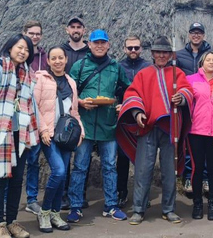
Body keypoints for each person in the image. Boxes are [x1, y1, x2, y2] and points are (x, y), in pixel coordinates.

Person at [117, 36, 193, 225]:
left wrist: (181, 97)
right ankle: (138, 210)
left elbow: (188, 91)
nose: (161, 55)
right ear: (152, 54)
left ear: (170, 55)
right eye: (158, 52)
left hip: (170, 128)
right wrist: (137, 113)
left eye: (164, 52)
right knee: (143, 170)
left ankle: (169, 209)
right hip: (148, 127)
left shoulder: (177, 73)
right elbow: (132, 94)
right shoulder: (143, 74)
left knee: (169, 170)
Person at [0, 34, 38, 238]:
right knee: (0, 178)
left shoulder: (27, 72)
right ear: (9, 47)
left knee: (17, 179)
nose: (23, 52)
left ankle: (12, 222)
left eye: (27, 49)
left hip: (21, 132)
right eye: (19, 47)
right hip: (1, 131)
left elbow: (30, 104)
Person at [66, 29, 130, 223]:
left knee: (110, 166)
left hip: (108, 124)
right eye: (96, 43)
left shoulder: (115, 67)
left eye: (103, 42)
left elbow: (128, 88)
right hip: (84, 124)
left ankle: (111, 205)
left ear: (108, 45)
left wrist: (123, 104)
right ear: (90, 45)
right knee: (79, 166)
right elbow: (68, 91)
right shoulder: (80, 65)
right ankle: (75, 206)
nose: (100, 46)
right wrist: (80, 103)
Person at [33, 46, 85, 233]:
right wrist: (43, 130)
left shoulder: (71, 82)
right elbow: (35, 107)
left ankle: (55, 213)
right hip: (50, 135)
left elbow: (75, 111)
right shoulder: (42, 80)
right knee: (59, 171)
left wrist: (81, 131)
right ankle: (45, 211)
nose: (57, 61)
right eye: (53, 58)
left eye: (60, 58)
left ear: (65, 59)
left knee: (63, 176)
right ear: (48, 61)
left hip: (66, 136)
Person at [186, 51, 213, 221]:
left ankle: (212, 204)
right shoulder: (191, 80)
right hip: (196, 131)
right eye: (208, 60)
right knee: (197, 168)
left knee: (212, 169)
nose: (211, 62)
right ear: (201, 63)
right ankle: (197, 203)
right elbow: (184, 100)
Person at [176, 22, 212, 193]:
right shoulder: (179, 56)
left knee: (205, 144)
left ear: (203, 35)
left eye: (199, 32)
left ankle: (205, 178)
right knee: (188, 144)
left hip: (205, 105)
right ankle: (188, 178)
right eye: (193, 32)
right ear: (189, 34)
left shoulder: (210, 54)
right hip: (186, 105)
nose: (196, 35)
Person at [116, 35, 150, 208]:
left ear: (141, 48)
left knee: (143, 159)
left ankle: (143, 194)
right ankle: (121, 192)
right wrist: (117, 104)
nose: (133, 51)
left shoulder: (148, 67)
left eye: (136, 48)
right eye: (130, 48)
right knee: (122, 158)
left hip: (144, 119)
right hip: (124, 119)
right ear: (124, 49)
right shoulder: (118, 67)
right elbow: (114, 91)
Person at [61, 16, 90, 209]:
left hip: (86, 110)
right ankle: (63, 194)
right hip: (64, 108)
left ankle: (79, 193)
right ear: (67, 30)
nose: (76, 30)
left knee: (82, 154)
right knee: (64, 152)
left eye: (79, 27)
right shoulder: (61, 51)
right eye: (73, 27)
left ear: (84, 30)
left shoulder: (91, 51)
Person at [22, 20, 46, 215]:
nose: (35, 36)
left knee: (33, 161)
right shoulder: (18, 54)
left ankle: (31, 199)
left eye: (38, 33)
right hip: (19, 116)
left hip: (38, 117)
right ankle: (7, 198)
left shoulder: (45, 57)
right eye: (31, 33)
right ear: (24, 33)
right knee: (14, 160)